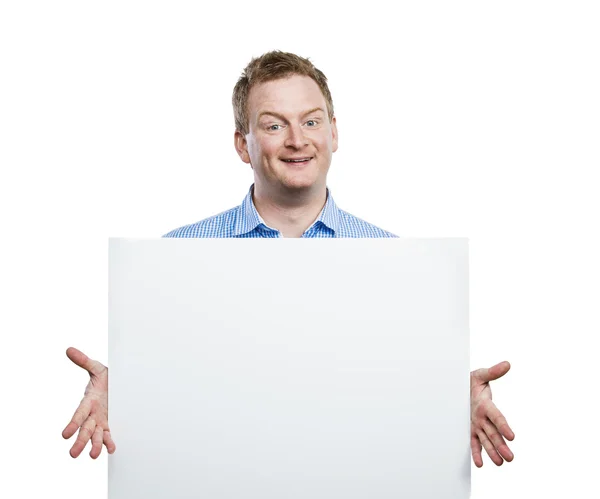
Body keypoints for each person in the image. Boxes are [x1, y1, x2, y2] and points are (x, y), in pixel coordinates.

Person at [62, 50, 515, 468]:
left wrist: (453, 400)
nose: (298, 140)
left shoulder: (399, 264)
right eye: (274, 125)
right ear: (243, 145)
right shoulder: (175, 259)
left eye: (312, 122)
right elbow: (171, 391)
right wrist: (122, 394)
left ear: (334, 132)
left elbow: (398, 392)